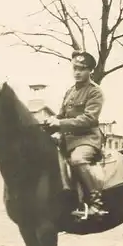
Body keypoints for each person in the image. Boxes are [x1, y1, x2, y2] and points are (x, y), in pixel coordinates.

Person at [47, 51, 108, 218]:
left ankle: (96, 203)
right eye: (75, 68)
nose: (77, 72)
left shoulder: (95, 92)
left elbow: (89, 119)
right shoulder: (70, 92)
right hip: (67, 139)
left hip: (87, 139)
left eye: (82, 69)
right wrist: (52, 119)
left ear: (90, 71)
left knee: (78, 160)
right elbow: (62, 115)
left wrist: (60, 123)